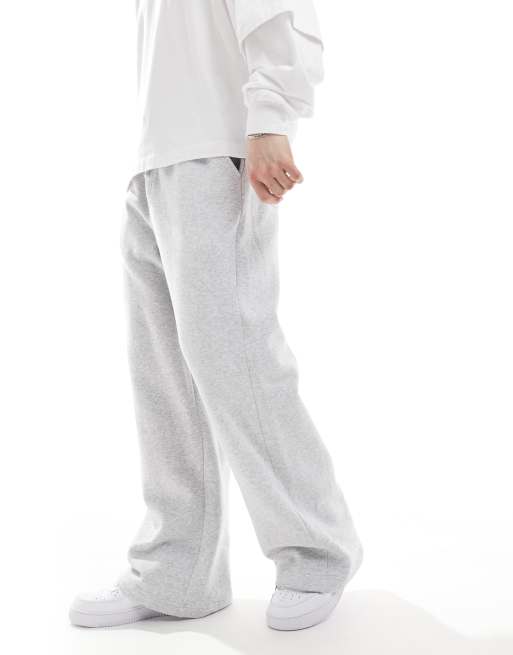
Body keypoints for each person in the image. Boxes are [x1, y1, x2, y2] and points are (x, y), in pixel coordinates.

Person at [69, 0, 363, 632]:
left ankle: (317, 551)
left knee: (237, 360)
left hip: (216, 152)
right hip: (157, 161)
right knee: (164, 378)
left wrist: (270, 120)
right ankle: (178, 574)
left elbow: (280, 13)